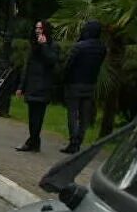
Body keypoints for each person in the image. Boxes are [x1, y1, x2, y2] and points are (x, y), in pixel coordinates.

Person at [58, 19, 106, 153]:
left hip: (74, 83)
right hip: (90, 84)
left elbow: (69, 65)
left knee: (73, 113)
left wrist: (64, 78)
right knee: (84, 115)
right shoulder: (102, 48)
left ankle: (73, 141)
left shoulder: (79, 46)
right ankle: (79, 140)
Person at [15, 20, 59, 153]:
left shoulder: (52, 46)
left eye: (40, 28)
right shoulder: (33, 47)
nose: (37, 30)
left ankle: (32, 142)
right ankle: (34, 142)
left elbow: (52, 61)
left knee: (38, 117)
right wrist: (21, 86)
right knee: (32, 117)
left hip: (43, 86)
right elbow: (27, 67)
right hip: (31, 86)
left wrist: (44, 45)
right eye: (36, 27)